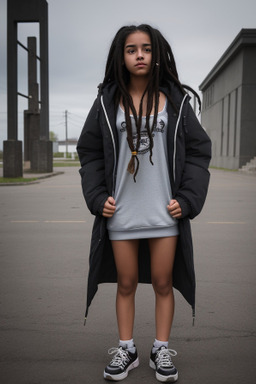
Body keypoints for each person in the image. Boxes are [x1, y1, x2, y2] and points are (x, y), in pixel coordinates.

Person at [77, 24, 211, 383]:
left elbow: (198, 152)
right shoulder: (107, 102)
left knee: (164, 282)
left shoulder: (177, 102)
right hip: (120, 212)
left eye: (147, 49)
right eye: (132, 49)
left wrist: (187, 199)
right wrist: (95, 197)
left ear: (157, 55)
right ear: (121, 56)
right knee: (126, 282)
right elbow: (89, 153)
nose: (139, 55)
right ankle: (127, 348)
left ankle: (161, 348)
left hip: (164, 212)